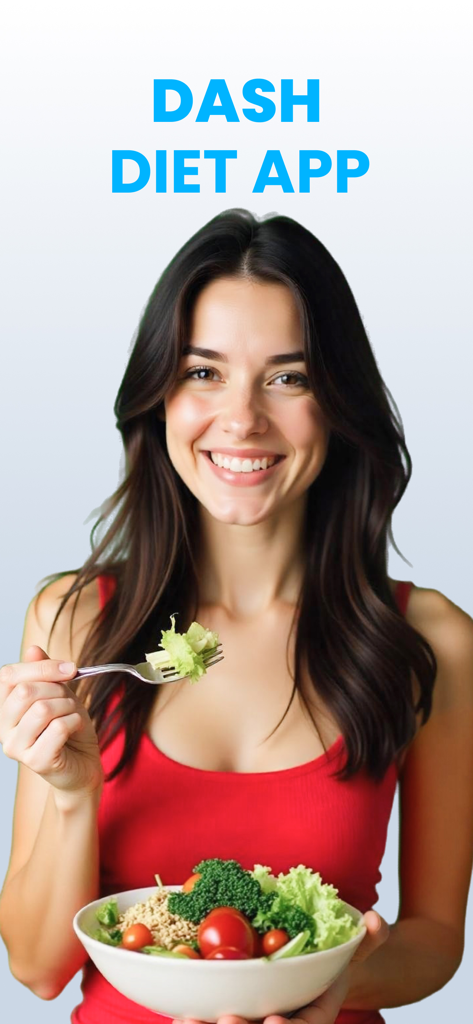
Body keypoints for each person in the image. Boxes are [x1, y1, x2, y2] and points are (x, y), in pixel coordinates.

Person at [0, 209, 471, 1024]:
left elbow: (432, 941)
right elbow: (38, 969)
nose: (243, 418)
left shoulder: (430, 641)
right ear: (159, 397)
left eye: (288, 378)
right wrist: (72, 795)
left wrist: (326, 981)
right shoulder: (75, 621)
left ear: (337, 401)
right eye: (202, 372)